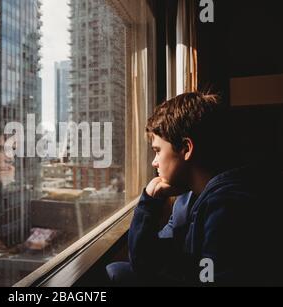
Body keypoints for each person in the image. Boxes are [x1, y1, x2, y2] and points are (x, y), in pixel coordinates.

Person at [106, 92, 282, 286]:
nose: (154, 162)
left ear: (186, 148)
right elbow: (143, 260)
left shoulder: (229, 207)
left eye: (157, 151)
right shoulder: (187, 198)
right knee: (117, 271)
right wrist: (150, 201)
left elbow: (212, 277)